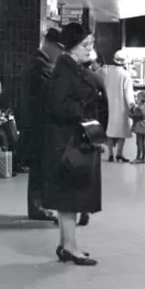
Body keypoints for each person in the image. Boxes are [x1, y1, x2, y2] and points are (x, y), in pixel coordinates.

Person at [42, 23, 105, 266]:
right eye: (85, 45)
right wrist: (86, 112)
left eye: (91, 44)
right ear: (71, 46)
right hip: (70, 141)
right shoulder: (64, 71)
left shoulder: (70, 68)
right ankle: (70, 246)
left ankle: (65, 244)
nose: (90, 49)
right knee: (71, 196)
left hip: (74, 139)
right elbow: (58, 106)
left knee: (69, 195)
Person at [18, 28, 63, 222]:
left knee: (40, 167)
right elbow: (48, 96)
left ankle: (39, 205)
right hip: (38, 127)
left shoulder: (38, 63)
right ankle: (37, 207)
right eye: (61, 50)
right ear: (52, 46)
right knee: (39, 167)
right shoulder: (40, 66)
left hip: (35, 125)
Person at [104, 50, 136, 163]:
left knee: (110, 130)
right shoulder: (125, 74)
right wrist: (132, 106)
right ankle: (119, 153)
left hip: (108, 106)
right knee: (121, 131)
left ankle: (110, 155)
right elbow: (128, 93)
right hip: (121, 108)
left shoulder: (107, 72)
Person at [130, 90, 145, 164]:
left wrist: (129, 112)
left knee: (138, 142)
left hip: (140, 126)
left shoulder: (140, 108)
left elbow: (137, 116)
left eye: (138, 98)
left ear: (142, 99)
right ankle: (143, 158)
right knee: (143, 142)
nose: (136, 99)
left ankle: (138, 158)